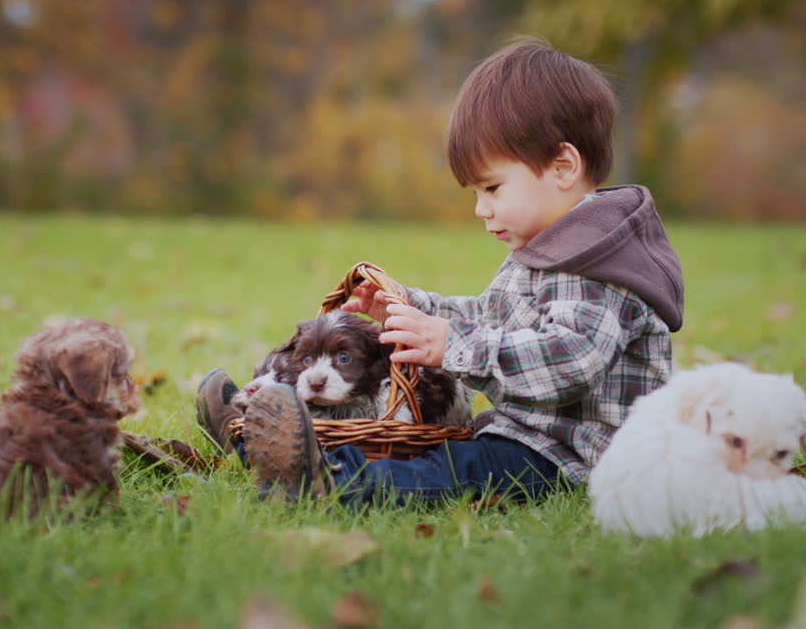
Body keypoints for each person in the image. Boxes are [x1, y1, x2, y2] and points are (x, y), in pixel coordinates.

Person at [197, 36, 684, 505]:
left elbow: (569, 360)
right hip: (522, 437)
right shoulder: (548, 246)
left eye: (492, 189)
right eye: (476, 194)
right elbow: (490, 315)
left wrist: (453, 347)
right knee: (439, 448)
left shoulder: (602, 265)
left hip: (575, 457)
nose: (481, 210)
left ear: (562, 167)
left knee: (450, 470)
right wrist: (410, 309)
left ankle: (330, 482)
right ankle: (258, 441)